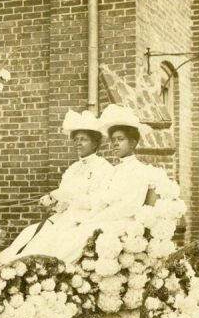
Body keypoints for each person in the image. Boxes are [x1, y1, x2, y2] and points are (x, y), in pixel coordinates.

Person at [43, 103, 153, 264]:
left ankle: (58, 267)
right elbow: (102, 199)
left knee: (79, 233)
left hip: (123, 221)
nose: (115, 144)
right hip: (106, 218)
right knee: (67, 231)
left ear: (133, 143)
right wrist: (91, 214)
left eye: (120, 139)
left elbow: (129, 206)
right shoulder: (116, 170)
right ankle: (51, 266)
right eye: (113, 140)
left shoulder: (139, 170)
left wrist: (95, 218)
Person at [0, 109, 113, 262]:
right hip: (64, 218)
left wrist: (68, 197)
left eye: (83, 139)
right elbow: (62, 200)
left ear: (95, 143)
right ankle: (7, 266)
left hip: (83, 221)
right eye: (76, 139)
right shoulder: (73, 169)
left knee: (48, 240)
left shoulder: (103, 168)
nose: (78, 143)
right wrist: (53, 202)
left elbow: (97, 203)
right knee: (29, 232)